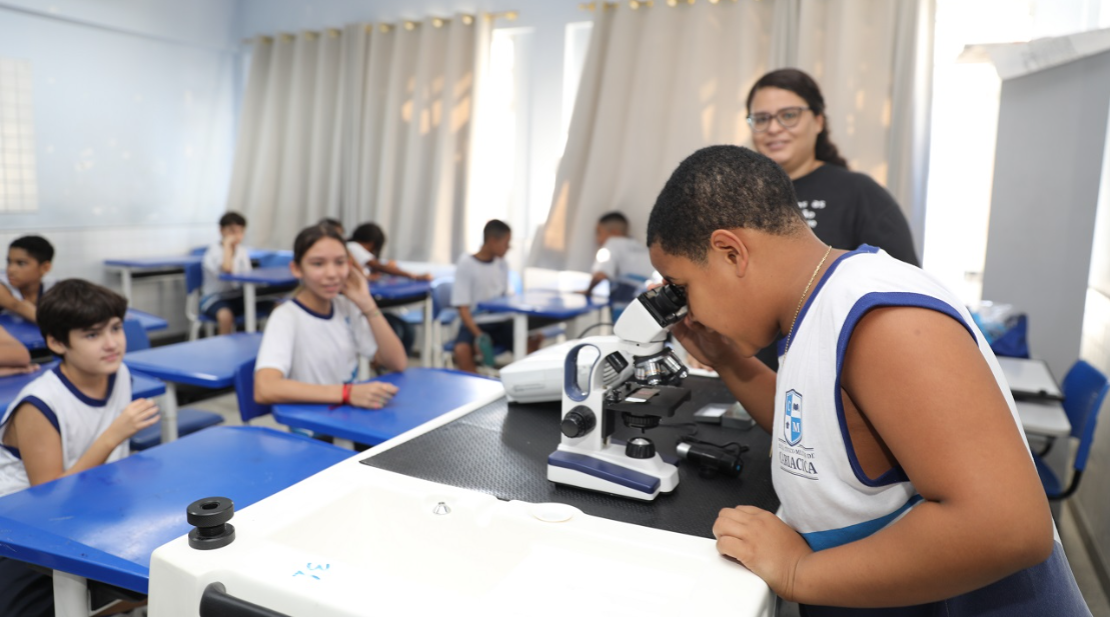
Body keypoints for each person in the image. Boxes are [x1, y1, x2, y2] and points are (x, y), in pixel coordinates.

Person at [646, 145, 1089, 615]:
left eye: (683, 288)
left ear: (731, 251)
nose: (686, 310)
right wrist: (725, 357)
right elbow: (818, 435)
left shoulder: (881, 319)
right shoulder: (814, 306)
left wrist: (798, 571)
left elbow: (1006, 527)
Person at [0, 279, 160, 617]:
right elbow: (49, 496)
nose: (111, 343)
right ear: (57, 342)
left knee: (167, 566)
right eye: (92, 335)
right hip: (20, 530)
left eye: (116, 328)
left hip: (87, 512)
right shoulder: (39, 405)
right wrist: (114, 435)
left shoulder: (120, 374)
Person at [747, 68, 918, 266]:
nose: (773, 128)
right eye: (761, 119)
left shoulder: (859, 194)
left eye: (788, 116)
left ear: (818, 121)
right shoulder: (740, 196)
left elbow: (904, 283)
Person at [254, 223, 407, 410]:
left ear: (350, 266)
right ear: (296, 269)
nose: (332, 274)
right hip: (315, 430)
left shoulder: (346, 307)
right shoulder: (286, 316)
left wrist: (367, 303)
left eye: (340, 262)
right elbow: (265, 388)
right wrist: (347, 393)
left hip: (349, 419)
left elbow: (397, 363)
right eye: (318, 264)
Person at [452, 219, 541, 373]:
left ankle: (526, 386)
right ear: (492, 241)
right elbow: (463, 309)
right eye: (506, 243)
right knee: (461, 351)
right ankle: (473, 389)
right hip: (476, 322)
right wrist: (479, 336)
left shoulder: (502, 264)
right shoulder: (466, 263)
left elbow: (507, 297)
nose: (508, 248)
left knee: (531, 342)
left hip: (501, 321)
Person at [200, 211, 262, 335]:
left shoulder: (242, 251)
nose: (236, 236)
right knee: (226, 317)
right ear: (221, 230)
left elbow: (248, 276)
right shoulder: (213, 251)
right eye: (232, 231)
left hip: (238, 296)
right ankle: (223, 352)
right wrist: (227, 244)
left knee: (276, 305)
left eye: (240, 232)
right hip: (215, 298)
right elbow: (227, 268)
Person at [582, 212, 655, 315]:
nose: (597, 239)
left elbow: (600, 275)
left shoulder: (612, 243)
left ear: (614, 232)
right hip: (647, 305)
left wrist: (588, 291)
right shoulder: (642, 248)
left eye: (598, 233)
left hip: (625, 305)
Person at [347, 222, 433, 281]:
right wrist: (415, 276)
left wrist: (387, 266)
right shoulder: (353, 246)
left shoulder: (352, 247)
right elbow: (378, 266)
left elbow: (375, 268)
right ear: (372, 244)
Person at [0, 235, 55, 322]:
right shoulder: (2, 286)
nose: (10, 269)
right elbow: (17, 306)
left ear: (45, 268)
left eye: (21, 263)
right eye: (9, 262)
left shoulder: (55, 289)